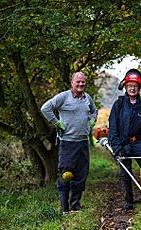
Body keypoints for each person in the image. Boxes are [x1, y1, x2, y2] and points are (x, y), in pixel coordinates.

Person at [41, 72, 98, 215]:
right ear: (72, 83)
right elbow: (45, 108)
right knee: (66, 175)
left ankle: (75, 205)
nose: (80, 85)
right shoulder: (63, 97)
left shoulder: (87, 98)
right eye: (77, 82)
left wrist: (92, 119)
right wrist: (56, 122)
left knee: (81, 175)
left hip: (83, 142)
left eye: (83, 82)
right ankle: (64, 208)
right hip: (67, 142)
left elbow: (94, 111)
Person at [108, 69, 141, 210]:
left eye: (135, 86)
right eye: (130, 85)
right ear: (125, 86)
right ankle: (128, 201)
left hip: (138, 142)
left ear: (140, 88)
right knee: (125, 173)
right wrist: (117, 148)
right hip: (122, 143)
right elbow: (113, 129)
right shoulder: (118, 105)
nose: (132, 88)